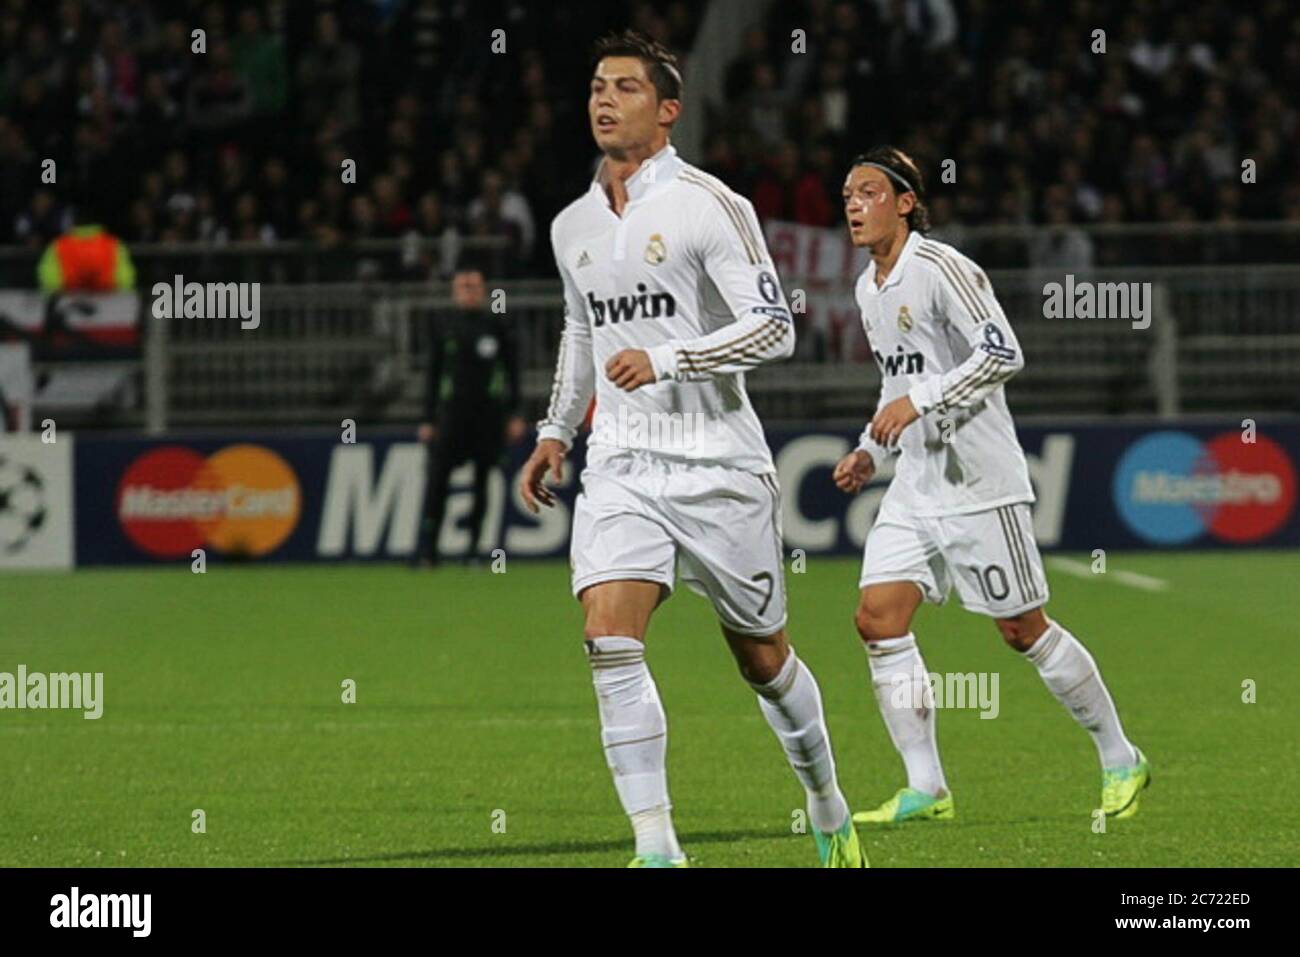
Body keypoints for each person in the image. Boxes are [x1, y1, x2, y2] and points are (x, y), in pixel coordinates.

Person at [518, 29, 866, 868]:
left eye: (627, 88)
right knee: (608, 636)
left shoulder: (711, 204)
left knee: (763, 658)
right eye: (598, 86)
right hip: (623, 464)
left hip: (717, 462)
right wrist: (557, 429)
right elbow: (581, 330)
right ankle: (658, 844)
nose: (604, 99)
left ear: (668, 111)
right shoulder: (573, 224)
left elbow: (776, 325)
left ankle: (825, 798)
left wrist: (671, 356)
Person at [831, 146, 1151, 824]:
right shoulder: (868, 287)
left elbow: (1004, 351)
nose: (853, 205)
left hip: (979, 481)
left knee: (1021, 628)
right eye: (847, 196)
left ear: (907, 202)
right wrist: (868, 447)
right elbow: (895, 379)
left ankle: (1122, 755)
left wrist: (922, 401)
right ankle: (927, 787)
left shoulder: (943, 267)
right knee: (877, 618)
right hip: (915, 482)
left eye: (867, 192)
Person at [415, 264, 524, 566]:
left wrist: (515, 412)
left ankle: (473, 549)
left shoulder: (496, 326)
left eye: (474, 286)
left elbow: (512, 372)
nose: (469, 291)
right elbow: (433, 375)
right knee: (438, 480)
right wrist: (427, 418)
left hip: (488, 416)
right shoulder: (443, 326)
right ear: (454, 292)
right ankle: (429, 550)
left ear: (484, 290)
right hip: (451, 415)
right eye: (463, 286)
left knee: (482, 482)